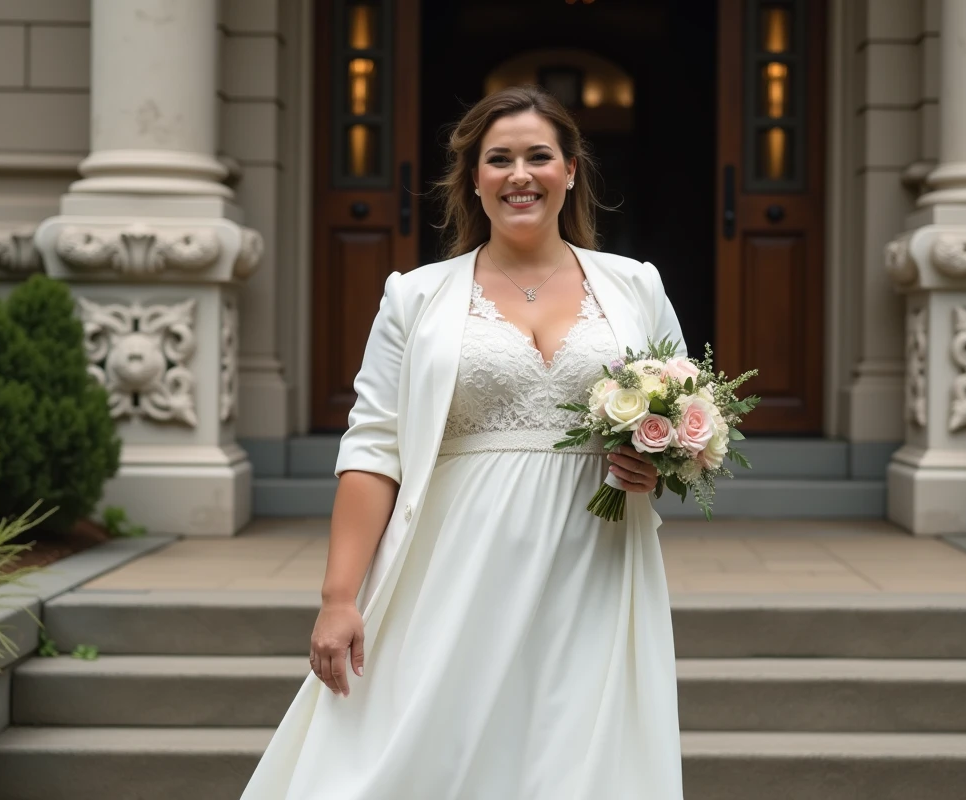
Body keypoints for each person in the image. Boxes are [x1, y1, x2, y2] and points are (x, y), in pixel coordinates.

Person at [241, 84, 686, 799]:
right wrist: (338, 597)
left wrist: (653, 468)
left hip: (596, 561)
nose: (520, 174)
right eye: (499, 159)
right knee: (431, 745)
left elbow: (676, 419)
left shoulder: (636, 287)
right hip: (455, 561)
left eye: (539, 156)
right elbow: (374, 448)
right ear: (474, 179)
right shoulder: (415, 297)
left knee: (577, 755)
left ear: (571, 170)